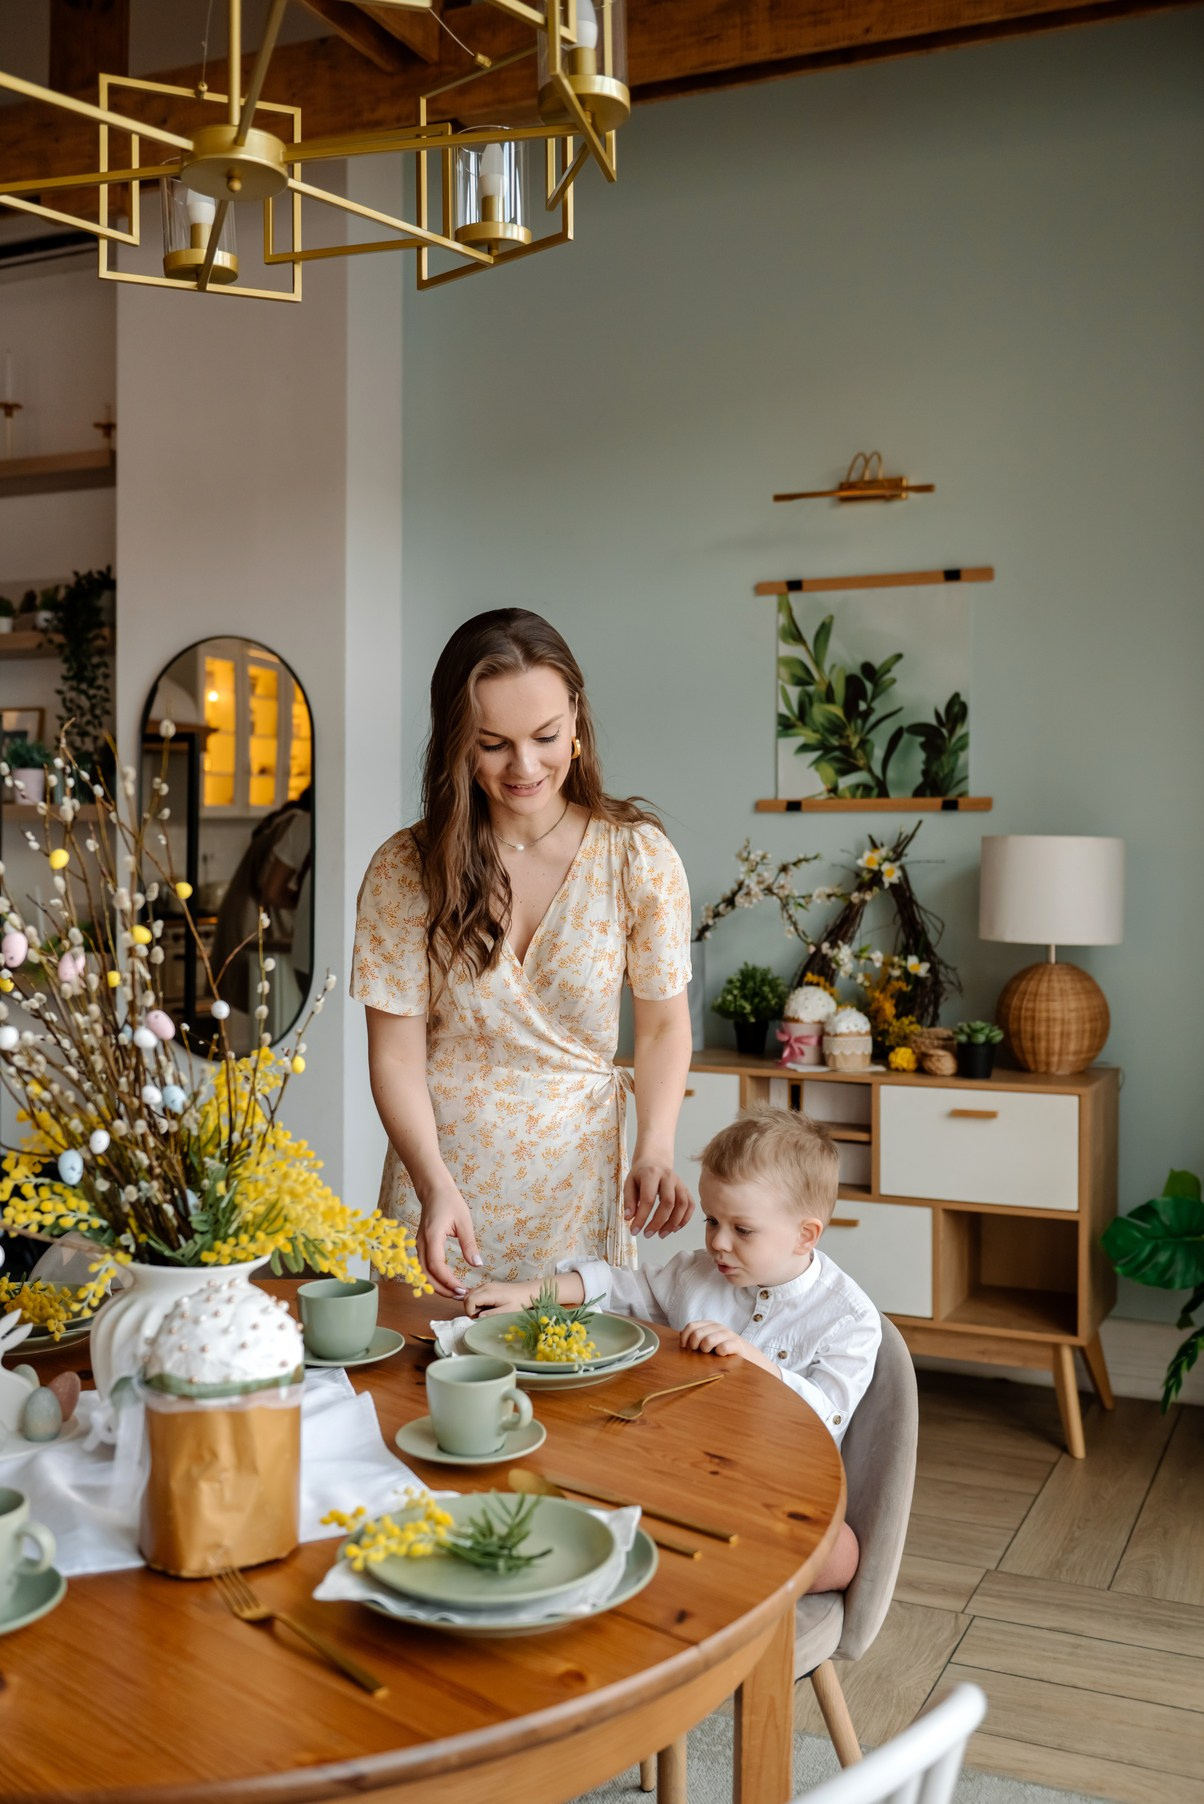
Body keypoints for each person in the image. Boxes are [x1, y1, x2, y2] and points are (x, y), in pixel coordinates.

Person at [352, 608, 694, 1298]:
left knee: (576, 1389)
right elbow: (394, 1053)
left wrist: (656, 1143)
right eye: (493, 743)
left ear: (576, 718)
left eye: (544, 736)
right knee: (418, 1394)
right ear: (455, 742)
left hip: (577, 1188)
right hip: (442, 1192)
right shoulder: (404, 869)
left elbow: (661, 1024)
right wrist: (432, 1184)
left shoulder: (637, 857)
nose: (525, 766)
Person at [468, 1106, 881, 1591]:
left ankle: (719, 1584)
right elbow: (621, 1288)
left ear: (805, 1235)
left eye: (742, 1230)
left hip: (776, 1486)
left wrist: (757, 1364)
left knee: (842, 1556)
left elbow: (829, 1416)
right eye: (711, 1220)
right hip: (680, 1466)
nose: (719, 1243)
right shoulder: (696, 1272)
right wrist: (530, 1292)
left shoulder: (850, 1320)